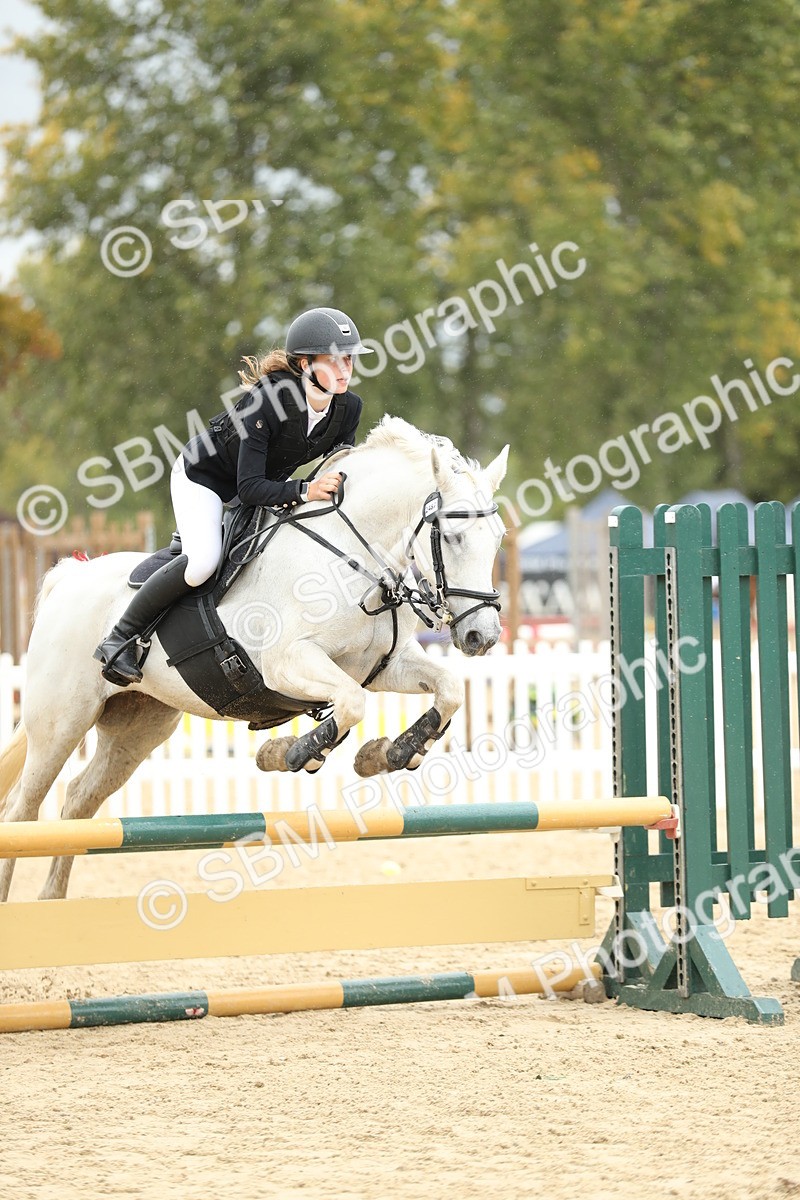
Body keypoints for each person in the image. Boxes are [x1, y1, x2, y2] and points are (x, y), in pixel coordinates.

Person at [94, 306, 372, 686]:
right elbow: (248, 489)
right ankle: (119, 638)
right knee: (202, 563)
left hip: (264, 484)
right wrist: (305, 490)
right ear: (305, 363)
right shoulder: (267, 401)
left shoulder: (348, 409)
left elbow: (339, 469)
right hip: (204, 479)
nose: (346, 368)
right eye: (335, 359)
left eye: (350, 358)